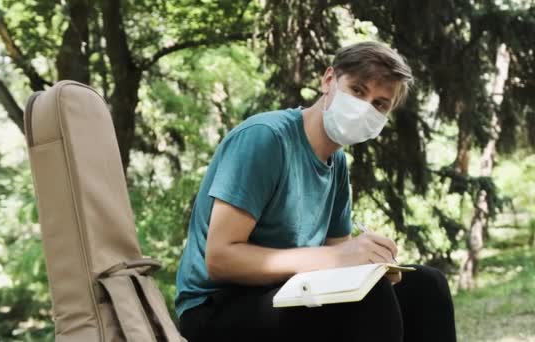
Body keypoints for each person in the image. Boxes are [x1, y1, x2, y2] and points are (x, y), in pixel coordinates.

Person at [174, 41, 456, 342]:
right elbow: (220, 259)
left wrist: (370, 264)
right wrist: (340, 257)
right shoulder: (265, 139)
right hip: (216, 308)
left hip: (285, 294)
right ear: (328, 80)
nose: (364, 107)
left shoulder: (336, 164)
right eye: (358, 90)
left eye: (379, 104)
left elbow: (341, 260)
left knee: (427, 284)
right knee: (370, 299)